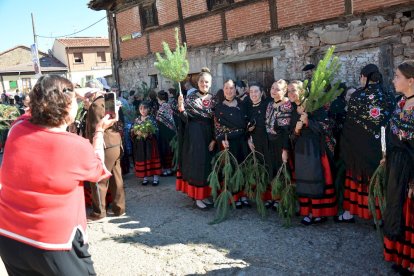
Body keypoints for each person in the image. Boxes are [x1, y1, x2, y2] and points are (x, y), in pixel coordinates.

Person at [0, 75, 115, 275]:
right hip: (54, 242)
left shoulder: (16, 129)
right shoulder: (75, 146)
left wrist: (71, 94)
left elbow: (30, 113)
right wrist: (98, 132)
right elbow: (99, 171)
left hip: (9, 235)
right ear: (68, 109)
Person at [339, 64, 395, 222]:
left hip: (358, 149)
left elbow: (349, 124)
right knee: (378, 180)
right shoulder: (388, 95)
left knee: (358, 179)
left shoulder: (358, 95)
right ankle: (380, 216)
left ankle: (351, 213)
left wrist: (346, 146)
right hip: (381, 148)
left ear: (364, 77)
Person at [289, 80, 338, 225]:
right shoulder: (293, 109)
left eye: (293, 90)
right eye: (289, 91)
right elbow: (291, 135)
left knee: (317, 178)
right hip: (301, 150)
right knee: (304, 181)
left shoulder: (315, 106)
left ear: (302, 91)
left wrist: (308, 122)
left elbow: (327, 127)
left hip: (316, 149)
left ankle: (319, 213)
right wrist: (297, 129)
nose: (290, 93)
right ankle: (307, 212)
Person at [383, 60, 414, 275]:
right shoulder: (400, 102)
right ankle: (401, 257)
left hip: (411, 168)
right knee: (397, 208)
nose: (393, 80)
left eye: (397, 77)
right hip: (396, 163)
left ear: (411, 81)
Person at [176, 67, 216, 210]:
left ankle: (204, 194)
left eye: (207, 82)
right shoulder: (190, 98)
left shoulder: (214, 99)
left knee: (207, 165)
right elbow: (185, 119)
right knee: (197, 164)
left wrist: (214, 139)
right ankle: (197, 197)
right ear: (197, 83)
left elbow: (216, 121)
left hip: (209, 135)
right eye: (201, 81)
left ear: (210, 83)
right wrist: (181, 108)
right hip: (194, 135)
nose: (204, 84)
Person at [86, 88, 126, 222]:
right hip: (115, 142)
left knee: (99, 180)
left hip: (105, 144)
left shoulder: (96, 105)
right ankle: (119, 208)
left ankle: (99, 212)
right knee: (116, 178)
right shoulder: (110, 102)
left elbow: (95, 127)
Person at [214, 79, 249, 208]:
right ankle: (233, 196)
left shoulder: (242, 104)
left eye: (232, 88)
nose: (229, 91)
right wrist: (222, 139)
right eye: (227, 88)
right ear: (223, 90)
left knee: (241, 167)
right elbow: (217, 126)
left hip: (242, 141)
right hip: (226, 142)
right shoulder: (218, 107)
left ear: (236, 90)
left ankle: (243, 195)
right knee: (230, 169)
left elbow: (247, 122)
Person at [265, 79, 293, 210]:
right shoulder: (270, 104)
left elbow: (285, 131)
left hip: (281, 143)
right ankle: (275, 197)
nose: (274, 91)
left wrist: (285, 149)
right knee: (273, 170)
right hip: (271, 142)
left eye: (278, 89)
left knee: (283, 172)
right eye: (272, 88)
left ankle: (284, 200)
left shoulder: (287, 105)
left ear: (284, 91)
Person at [132, 101, 162, 185]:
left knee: (152, 158)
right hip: (141, 144)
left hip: (150, 144)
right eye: (140, 108)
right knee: (143, 158)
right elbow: (132, 129)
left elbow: (156, 130)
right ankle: (145, 177)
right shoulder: (137, 119)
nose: (142, 110)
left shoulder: (151, 119)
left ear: (148, 109)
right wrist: (135, 132)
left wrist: (149, 133)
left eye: (144, 108)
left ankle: (155, 178)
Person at [156, 90, 176, 176]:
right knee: (171, 150)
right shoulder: (170, 105)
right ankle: (172, 168)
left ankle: (167, 169)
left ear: (158, 98)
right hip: (172, 131)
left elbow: (159, 121)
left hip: (164, 132)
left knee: (165, 151)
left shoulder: (161, 109)